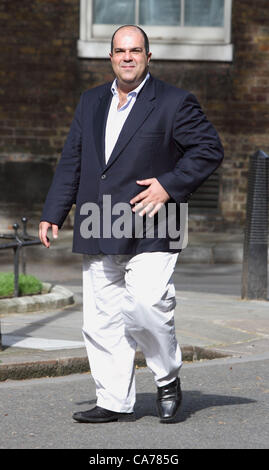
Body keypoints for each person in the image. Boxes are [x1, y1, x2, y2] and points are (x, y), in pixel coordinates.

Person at [39, 25, 224, 423]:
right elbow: (74, 158)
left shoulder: (175, 102)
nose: (127, 57)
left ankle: (167, 376)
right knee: (102, 319)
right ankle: (112, 400)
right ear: (110, 57)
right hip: (98, 219)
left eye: (135, 51)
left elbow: (209, 149)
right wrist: (53, 212)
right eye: (120, 51)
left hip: (155, 221)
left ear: (148, 56)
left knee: (146, 307)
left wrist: (168, 186)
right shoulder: (90, 102)